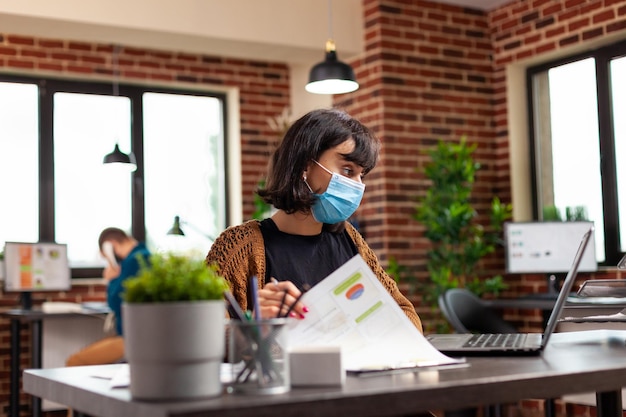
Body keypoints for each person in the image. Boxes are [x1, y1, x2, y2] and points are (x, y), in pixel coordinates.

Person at [206, 108, 422, 332]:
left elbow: (407, 316)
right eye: (348, 170)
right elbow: (200, 335)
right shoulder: (239, 246)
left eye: (361, 174)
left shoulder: (350, 239)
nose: (357, 184)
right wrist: (254, 326)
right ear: (305, 167)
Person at [66, 227, 151, 366]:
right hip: (135, 336)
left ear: (110, 246)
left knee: (74, 361)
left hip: (133, 339)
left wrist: (111, 279)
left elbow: (116, 302)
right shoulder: (142, 256)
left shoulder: (135, 260)